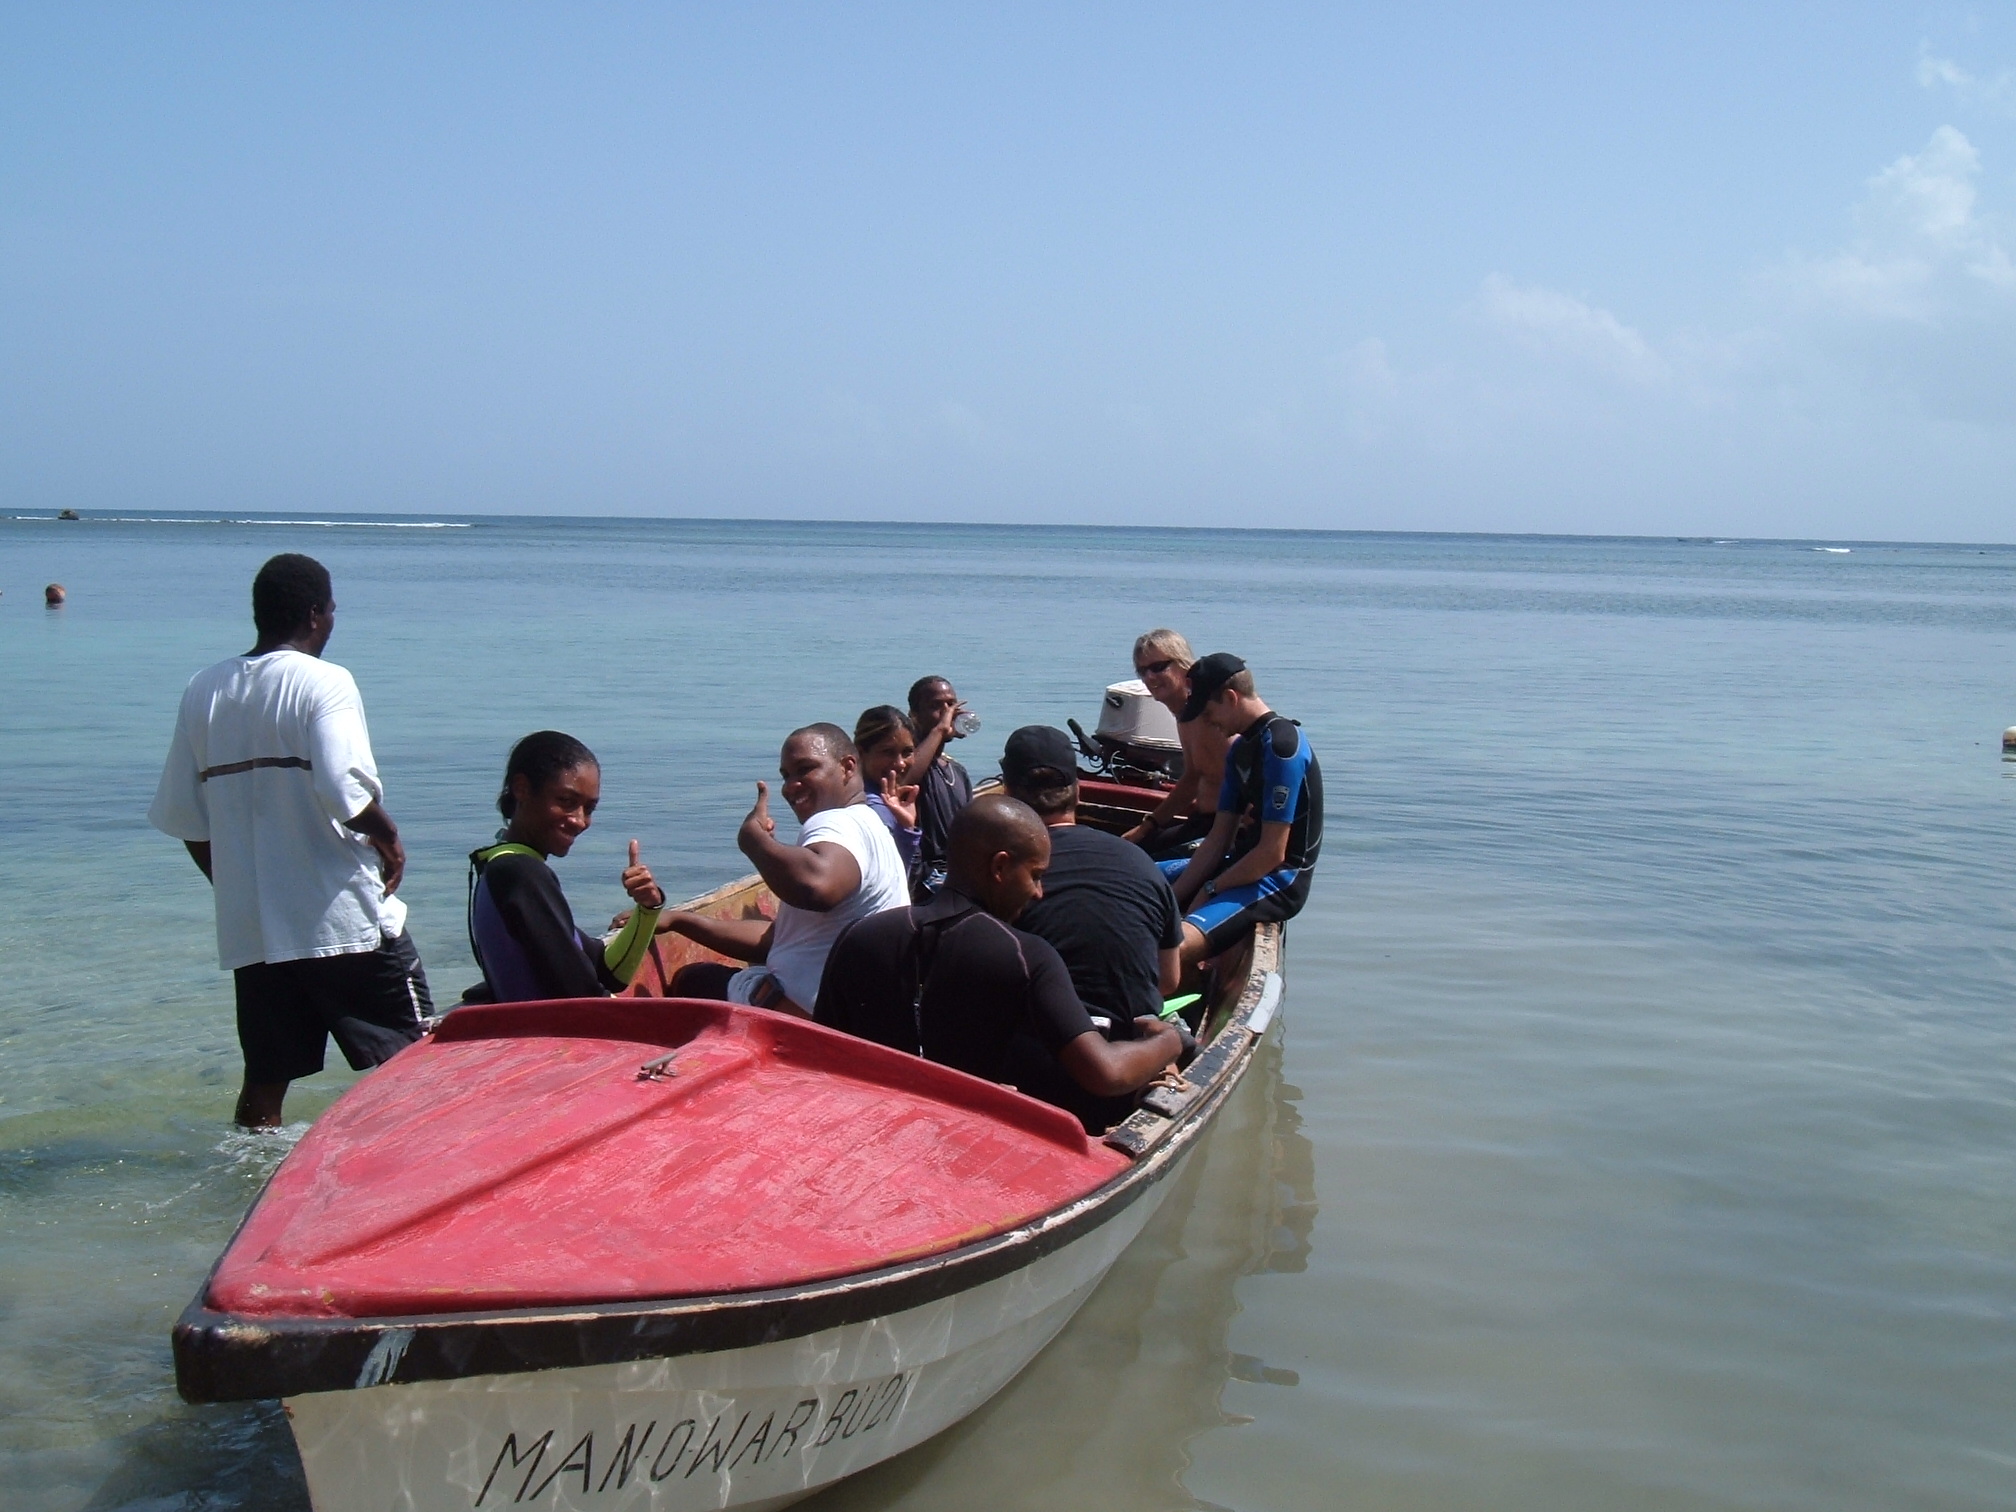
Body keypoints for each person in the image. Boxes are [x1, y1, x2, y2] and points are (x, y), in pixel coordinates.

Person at [147, 553, 432, 1128]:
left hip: (255, 931)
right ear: (316, 615)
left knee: (265, 1082)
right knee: (415, 1059)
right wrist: (390, 835)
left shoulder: (202, 689)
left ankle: (248, 1188)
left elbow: (187, 820)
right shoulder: (326, 682)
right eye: (331, 611)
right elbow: (345, 789)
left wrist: (236, 887)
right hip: (341, 924)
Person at [815, 796, 1185, 1134]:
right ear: (1000, 867)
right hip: (967, 1142)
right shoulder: (1025, 957)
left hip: (871, 1129)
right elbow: (1106, 1073)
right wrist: (1167, 1043)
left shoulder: (859, 935)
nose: (1039, 892)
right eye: (1036, 875)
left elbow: (818, 1055)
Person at [655, 724, 909, 1016]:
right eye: (786, 776)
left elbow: (817, 886)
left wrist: (753, 840)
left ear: (848, 767)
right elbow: (779, 939)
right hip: (863, 1016)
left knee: (694, 980)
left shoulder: (836, 822)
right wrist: (680, 921)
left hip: (804, 1025)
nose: (790, 786)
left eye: (805, 769)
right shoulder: (872, 825)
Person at [999, 725, 1183, 1029]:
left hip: (1038, 1045)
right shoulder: (1138, 860)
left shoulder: (1002, 872)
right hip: (1131, 1045)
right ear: (1078, 791)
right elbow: (1169, 980)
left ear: (1008, 794)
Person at [467, 731, 667, 1003]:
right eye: (566, 801)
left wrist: (647, 909)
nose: (580, 820)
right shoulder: (520, 872)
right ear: (522, 788)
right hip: (550, 1040)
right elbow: (581, 995)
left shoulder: (501, 865)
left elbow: (608, 972)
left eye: (589, 808)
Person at [1160, 654, 1323, 969]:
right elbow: (1218, 839)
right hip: (1237, 864)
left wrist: (1210, 889)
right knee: (1139, 877)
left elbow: (1271, 854)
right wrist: (1172, 899)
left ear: (1231, 698)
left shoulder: (1282, 748)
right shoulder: (1239, 750)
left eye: (1209, 713)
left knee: (1170, 949)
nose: (1209, 723)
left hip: (1276, 880)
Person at [1120, 629, 1235, 853]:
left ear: (1184, 665)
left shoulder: (1209, 714)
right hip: (1202, 822)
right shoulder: (1185, 714)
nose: (1149, 677)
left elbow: (1248, 776)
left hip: (1228, 831)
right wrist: (1147, 827)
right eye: (1142, 671)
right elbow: (1193, 777)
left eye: (1158, 667)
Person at [905, 676, 974, 894]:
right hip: (923, 881)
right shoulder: (908, 765)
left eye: (951, 704)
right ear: (914, 716)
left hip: (956, 876)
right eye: (936, 706)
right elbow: (905, 780)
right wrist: (940, 730)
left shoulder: (957, 771)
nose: (947, 713)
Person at [853, 705, 923, 892]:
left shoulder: (888, 802)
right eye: (887, 752)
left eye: (907, 752)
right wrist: (906, 831)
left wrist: (906, 825)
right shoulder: (871, 808)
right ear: (861, 753)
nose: (900, 763)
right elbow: (892, 881)